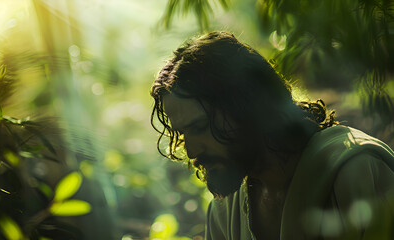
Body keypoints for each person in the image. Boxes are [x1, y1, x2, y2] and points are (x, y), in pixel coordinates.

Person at [150, 31, 394, 240]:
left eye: (201, 126)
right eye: (183, 134)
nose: (191, 151)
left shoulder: (356, 170)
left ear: (249, 108)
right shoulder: (225, 211)